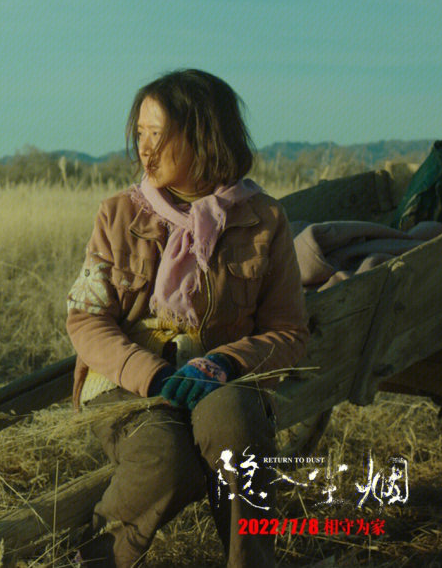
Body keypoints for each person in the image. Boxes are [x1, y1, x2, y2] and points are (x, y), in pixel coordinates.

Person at [66, 70, 308, 567]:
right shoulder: (118, 215)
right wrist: (149, 372)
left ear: (204, 136)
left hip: (216, 377)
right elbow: (86, 322)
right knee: (165, 461)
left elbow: (287, 332)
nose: (144, 150)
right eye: (140, 134)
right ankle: (95, 560)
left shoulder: (263, 220)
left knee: (237, 427)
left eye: (158, 134)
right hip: (126, 381)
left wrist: (224, 364)